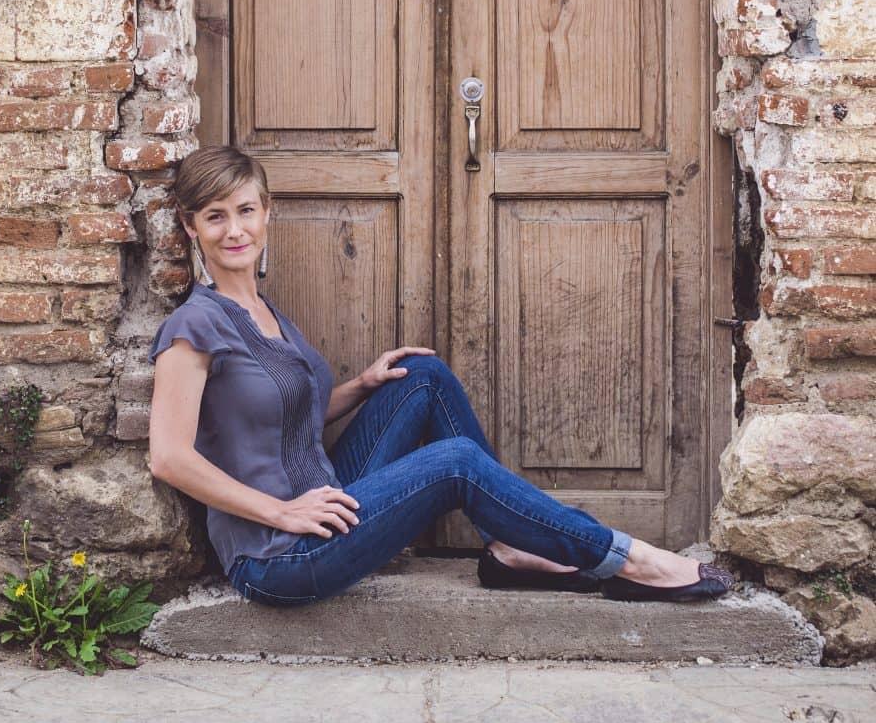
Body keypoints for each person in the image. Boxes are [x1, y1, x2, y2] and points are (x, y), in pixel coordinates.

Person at [148, 145, 735, 609]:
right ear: (192, 226)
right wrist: (281, 513)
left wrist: (363, 387)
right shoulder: (193, 325)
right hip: (278, 554)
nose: (235, 230)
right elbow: (168, 457)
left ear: (267, 212)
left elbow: (280, 419)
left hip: (326, 502)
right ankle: (627, 559)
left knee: (420, 374)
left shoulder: (266, 312)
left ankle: (509, 546)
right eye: (215, 217)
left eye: (246, 210)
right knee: (454, 461)